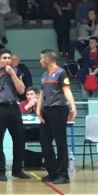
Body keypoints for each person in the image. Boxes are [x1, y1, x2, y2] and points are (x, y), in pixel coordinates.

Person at [0, 50, 29, 181]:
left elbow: (22, 90)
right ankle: (1, 171)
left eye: (9, 58)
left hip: (13, 107)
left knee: (19, 139)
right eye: (5, 58)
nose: (7, 60)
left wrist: (12, 74)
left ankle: (17, 170)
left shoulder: (16, 71)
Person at [37, 50, 75, 184]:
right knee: (45, 141)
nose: (40, 61)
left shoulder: (61, 73)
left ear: (47, 59)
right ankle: (52, 172)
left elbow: (66, 90)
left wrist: (73, 106)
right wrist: (38, 110)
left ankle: (63, 174)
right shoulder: (44, 75)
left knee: (60, 142)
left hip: (59, 110)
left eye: (41, 59)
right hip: (47, 111)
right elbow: (41, 93)